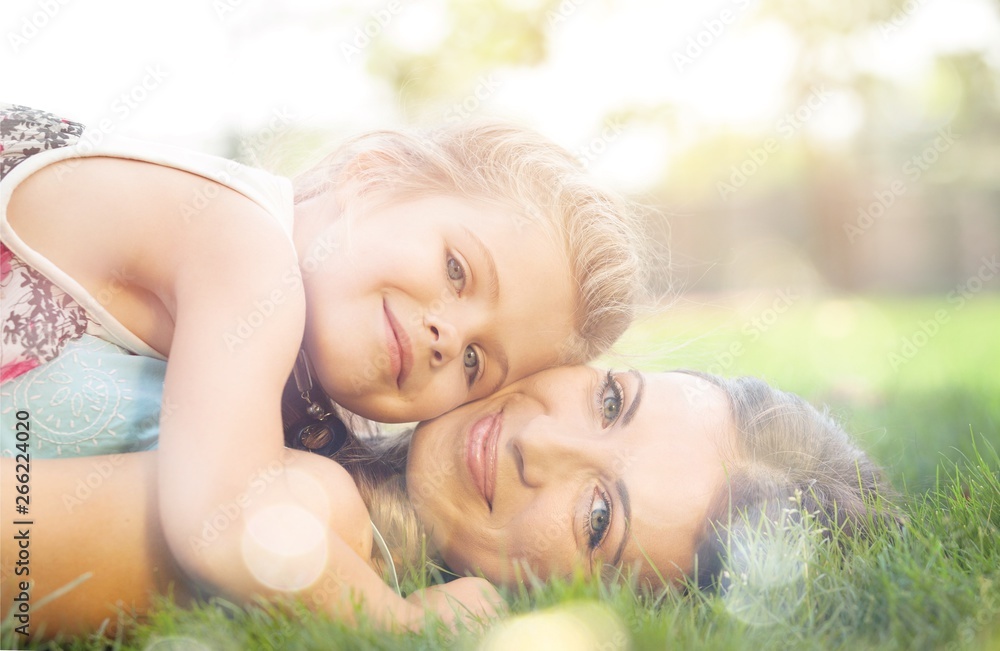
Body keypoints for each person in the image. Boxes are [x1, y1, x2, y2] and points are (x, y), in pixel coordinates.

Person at [0, 365, 900, 639]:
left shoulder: (305, 522)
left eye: (599, 518)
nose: (537, 441)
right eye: (612, 401)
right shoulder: (363, 337)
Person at [0, 102, 647, 458]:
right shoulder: (243, 244)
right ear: (372, 176)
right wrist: (393, 614)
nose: (448, 336)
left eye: (476, 361)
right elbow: (220, 521)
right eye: (457, 270)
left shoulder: (297, 411)